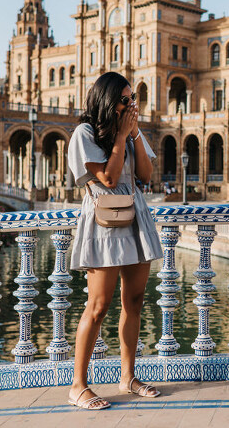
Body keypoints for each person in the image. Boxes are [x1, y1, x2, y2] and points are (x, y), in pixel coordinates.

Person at [66, 72, 163, 410]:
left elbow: (147, 176)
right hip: (104, 222)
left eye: (132, 98)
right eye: (124, 100)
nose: (131, 105)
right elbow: (106, 178)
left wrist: (134, 134)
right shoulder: (85, 133)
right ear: (107, 100)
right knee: (98, 305)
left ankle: (128, 376)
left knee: (134, 300)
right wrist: (122, 135)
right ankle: (78, 384)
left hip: (136, 219)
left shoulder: (131, 131)